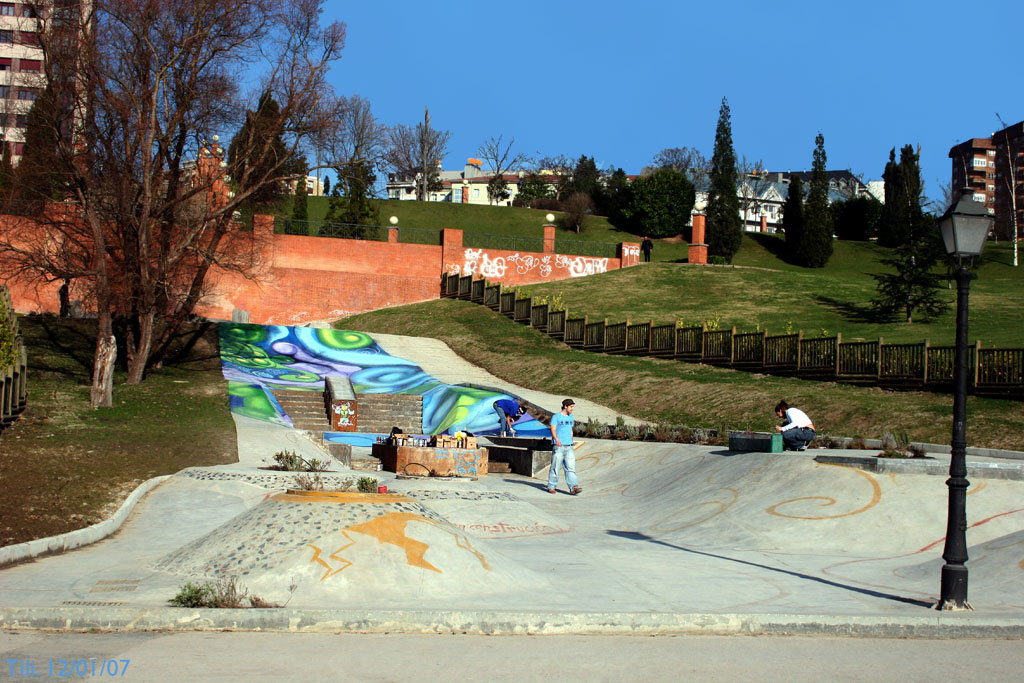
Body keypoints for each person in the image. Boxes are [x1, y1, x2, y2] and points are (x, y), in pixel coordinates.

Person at [548, 398, 581, 495]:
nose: (572, 408)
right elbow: (553, 429)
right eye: (571, 406)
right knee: (555, 467)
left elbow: (570, 429)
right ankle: (551, 486)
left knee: (571, 467)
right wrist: (557, 440)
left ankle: (573, 487)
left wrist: (571, 439)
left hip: (569, 446)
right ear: (565, 406)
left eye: (573, 406)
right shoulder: (556, 417)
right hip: (559, 446)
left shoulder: (571, 417)